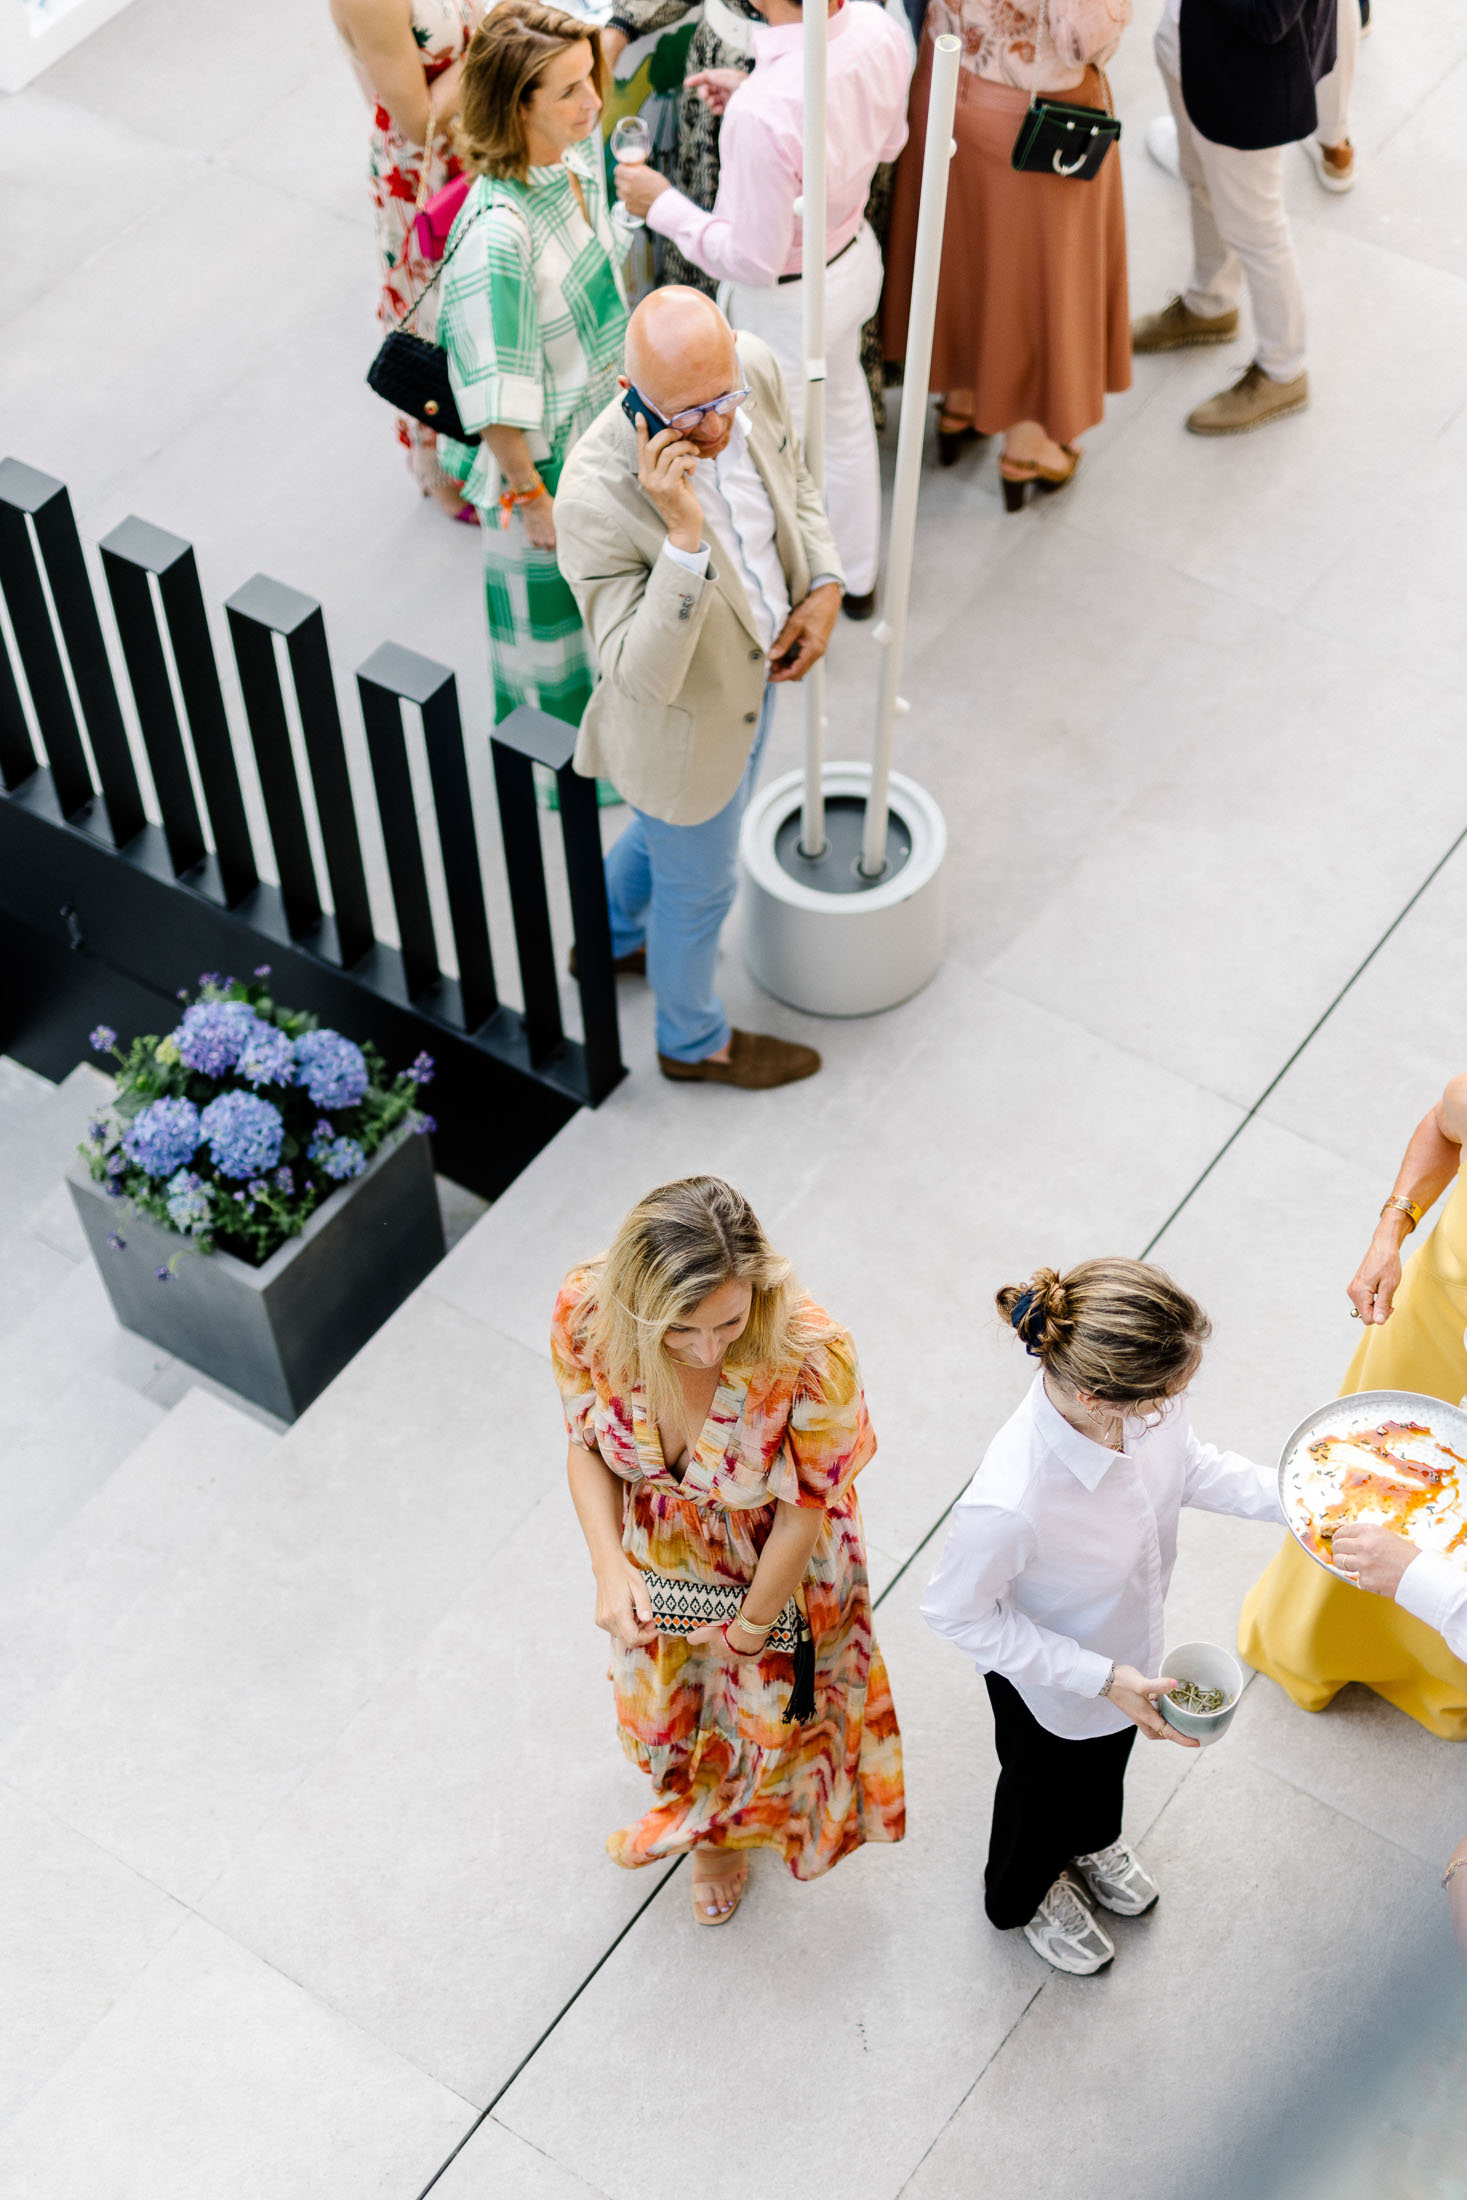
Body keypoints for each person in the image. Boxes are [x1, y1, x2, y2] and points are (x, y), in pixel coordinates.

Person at [554, 1175, 905, 1925]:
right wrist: (608, 1569)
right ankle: (711, 1828)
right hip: (660, 1560)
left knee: (773, 1717)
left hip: (779, 1563)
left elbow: (803, 1513)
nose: (706, 1348)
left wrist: (751, 1626)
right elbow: (584, 1445)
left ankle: (723, 1834)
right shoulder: (585, 1313)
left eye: (728, 1322)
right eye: (678, 1329)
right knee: (669, 1715)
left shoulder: (813, 1356)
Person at [922, 1259, 1283, 1975]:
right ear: (1097, 1396)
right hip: (1048, 1684)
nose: (1174, 1406)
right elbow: (956, 1614)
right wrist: (1099, 1676)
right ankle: (1025, 1896)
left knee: (1104, 1770)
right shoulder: (1011, 1500)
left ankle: (1092, 1842)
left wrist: (1296, 1499)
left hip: (1128, 1654)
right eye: (1164, 1398)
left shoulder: (1141, 1408)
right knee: (1041, 1799)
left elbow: (1188, 1466)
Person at [554, 287, 843, 1089]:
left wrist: (822, 582)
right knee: (700, 893)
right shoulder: (592, 499)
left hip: (755, 683)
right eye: (688, 415)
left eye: (725, 400)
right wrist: (682, 538)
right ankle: (690, 1042)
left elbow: (793, 481)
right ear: (629, 395)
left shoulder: (752, 368)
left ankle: (605, 940)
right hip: (677, 731)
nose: (715, 428)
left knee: (668, 838)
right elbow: (640, 678)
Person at [615, 0, 911, 619]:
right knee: (847, 412)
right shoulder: (880, 28)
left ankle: (793, 601)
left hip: (786, 306)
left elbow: (750, 258)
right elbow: (889, 142)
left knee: (773, 460)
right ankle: (857, 576)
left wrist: (661, 204)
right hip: (854, 261)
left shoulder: (764, 112)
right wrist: (761, 95)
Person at [1240, 1074, 1467, 1739]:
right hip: (1433, 1327)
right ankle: (1317, 1641)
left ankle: (1441, 1673)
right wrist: (1389, 1233)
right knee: (1362, 1486)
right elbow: (1444, 1123)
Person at [437, 0, 630, 731]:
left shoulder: (574, 157)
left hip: (606, 438)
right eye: (571, 90)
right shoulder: (497, 238)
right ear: (518, 107)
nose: (595, 101)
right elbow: (496, 402)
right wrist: (533, 499)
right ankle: (565, 773)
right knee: (557, 651)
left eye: (590, 79)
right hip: (549, 472)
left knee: (612, 628)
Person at [883, 0, 1131, 509]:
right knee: (1040, 274)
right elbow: (1085, 40)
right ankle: (1029, 446)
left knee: (963, 250)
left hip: (945, 82)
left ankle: (961, 400)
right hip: (1035, 116)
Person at [1132, 0, 1336, 436]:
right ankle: (1209, 304)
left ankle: (1283, 372)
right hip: (1187, 40)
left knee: (1257, 230)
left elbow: (1270, 16)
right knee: (1199, 180)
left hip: (1244, 77)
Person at [333, 0, 488, 517]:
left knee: (484, 300)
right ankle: (440, 467)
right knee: (431, 317)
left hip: (473, 139)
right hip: (423, 175)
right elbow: (420, 120)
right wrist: (500, 36)